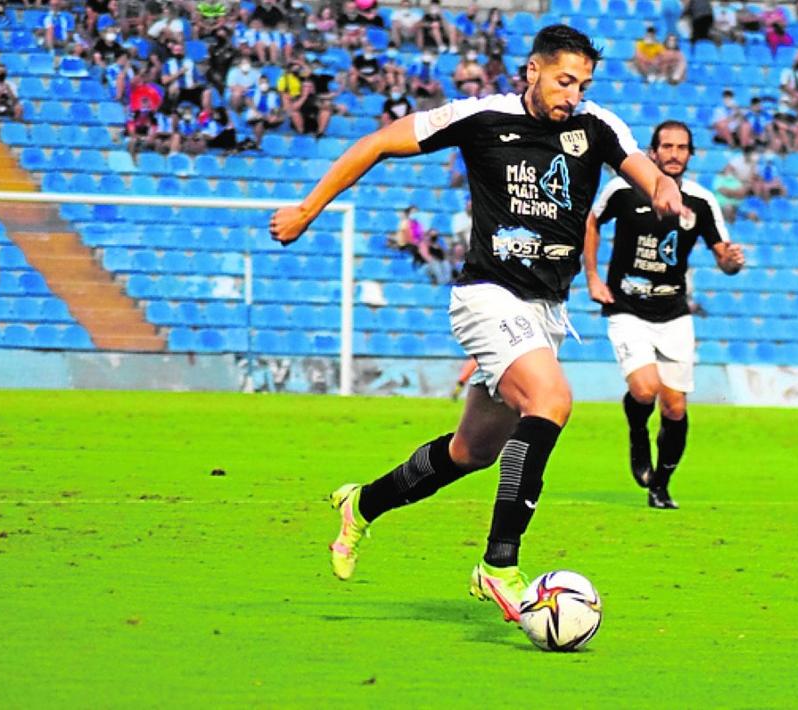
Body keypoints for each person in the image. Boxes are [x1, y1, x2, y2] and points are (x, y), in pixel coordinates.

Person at [269, 25, 687, 622]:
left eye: (583, 83)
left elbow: (646, 171)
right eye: (564, 80)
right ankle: (498, 563)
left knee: (472, 451)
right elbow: (380, 142)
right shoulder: (481, 116)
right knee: (552, 400)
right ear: (533, 71)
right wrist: (309, 209)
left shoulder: (597, 126)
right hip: (488, 297)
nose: (573, 94)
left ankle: (360, 506)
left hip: (544, 311)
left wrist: (664, 190)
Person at [584, 120, 746, 509]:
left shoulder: (701, 202)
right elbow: (591, 222)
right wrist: (592, 276)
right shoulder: (624, 188)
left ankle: (661, 483)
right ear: (653, 151)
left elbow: (723, 256)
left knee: (675, 407)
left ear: (691, 155)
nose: (674, 154)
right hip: (626, 307)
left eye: (682, 147)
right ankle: (638, 433)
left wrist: (732, 261)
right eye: (667, 146)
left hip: (674, 313)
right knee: (644, 389)